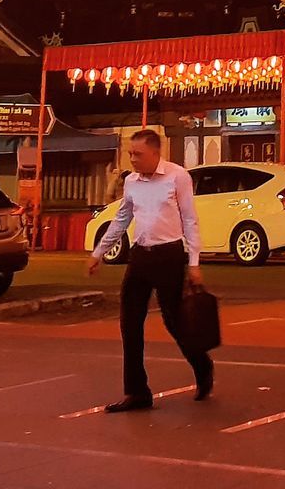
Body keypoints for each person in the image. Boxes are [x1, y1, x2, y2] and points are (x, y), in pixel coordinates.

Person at [87, 130, 212, 410]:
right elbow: (122, 219)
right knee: (129, 323)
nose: (132, 159)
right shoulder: (131, 182)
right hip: (140, 255)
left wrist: (194, 263)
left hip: (169, 255)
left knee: (174, 320)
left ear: (156, 153)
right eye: (130, 153)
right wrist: (98, 253)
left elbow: (190, 220)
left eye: (138, 154)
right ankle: (137, 392)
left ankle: (202, 366)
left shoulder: (177, 177)